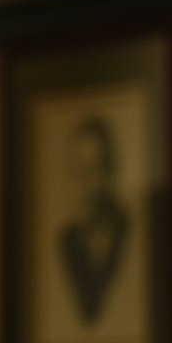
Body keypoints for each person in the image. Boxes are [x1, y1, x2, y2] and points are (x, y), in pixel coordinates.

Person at [57, 114, 131, 326]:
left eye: (94, 169)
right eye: (79, 172)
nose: (86, 185)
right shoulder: (67, 242)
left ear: (111, 170)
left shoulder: (129, 233)